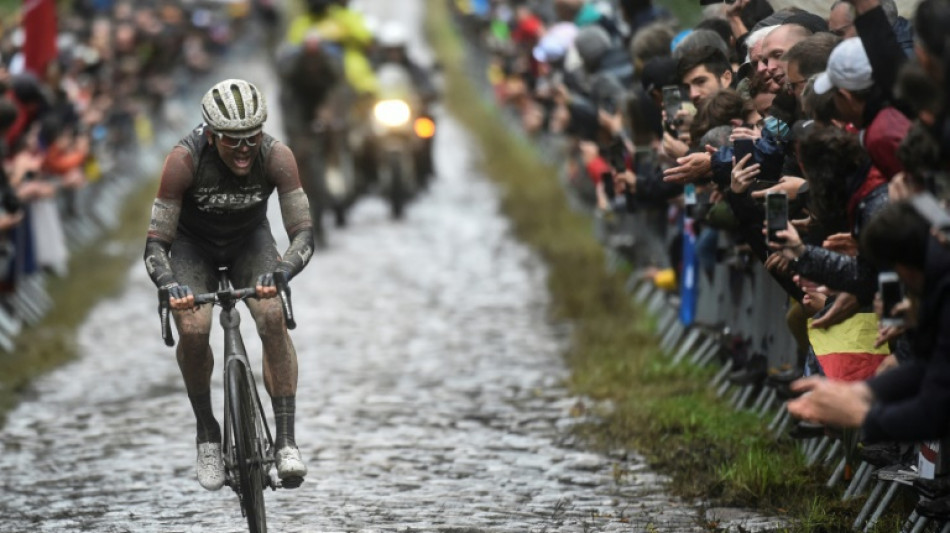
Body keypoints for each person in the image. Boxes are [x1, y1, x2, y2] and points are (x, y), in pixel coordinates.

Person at [143, 79, 314, 491]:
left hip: (248, 243)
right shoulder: (183, 161)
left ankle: (286, 441)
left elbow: (304, 234)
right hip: (192, 248)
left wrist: (283, 271)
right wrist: (169, 285)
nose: (244, 149)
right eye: (233, 140)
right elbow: (155, 245)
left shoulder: (277, 157)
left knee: (272, 317)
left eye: (251, 138)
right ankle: (207, 434)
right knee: (194, 328)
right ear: (211, 134)